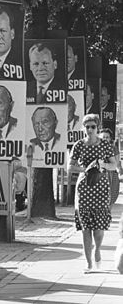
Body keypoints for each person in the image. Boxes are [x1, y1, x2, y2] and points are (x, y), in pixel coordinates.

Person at [67, 114, 116, 273]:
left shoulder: (105, 145)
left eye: (93, 126)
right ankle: (88, 263)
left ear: (98, 128)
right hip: (84, 189)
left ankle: (97, 249)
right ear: (83, 128)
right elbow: (70, 166)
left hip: (100, 188)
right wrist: (84, 169)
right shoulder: (79, 145)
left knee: (99, 228)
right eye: (87, 126)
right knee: (85, 228)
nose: (89, 130)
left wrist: (102, 164)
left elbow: (113, 165)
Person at [99, 128, 123, 207]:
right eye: (103, 137)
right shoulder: (95, 148)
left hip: (111, 175)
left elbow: (117, 162)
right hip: (99, 175)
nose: (105, 139)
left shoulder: (113, 148)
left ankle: (108, 216)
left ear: (110, 138)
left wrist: (120, 171)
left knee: (111, 198)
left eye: (107, 137)